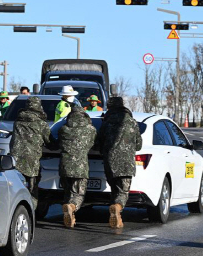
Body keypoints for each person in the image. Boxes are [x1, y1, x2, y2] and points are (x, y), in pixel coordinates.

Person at [96, 97, 142, 229]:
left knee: (114, 189)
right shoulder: (132, 122)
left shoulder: (107, 122)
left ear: (110, 108)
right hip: (126, 162)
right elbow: (138, 145)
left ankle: (116, 216)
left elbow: (99, 142)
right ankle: (117, 208)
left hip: (109, 161)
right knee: (123, 191)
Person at [9, 96, 51, 209]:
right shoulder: (41, 124)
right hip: (32, 161)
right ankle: (30, 212)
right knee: (32, 190)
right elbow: (50, 142)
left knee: (16, 188)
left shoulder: (18, 121)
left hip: (15, 159)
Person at [59, 106, 97, 228]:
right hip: (80, 167)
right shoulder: (90, 130)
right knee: (78, 194)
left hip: (64, 166)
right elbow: (94, 144)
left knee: (67, 192)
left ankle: (69, 215)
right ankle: (72, 207)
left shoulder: (63, 129)